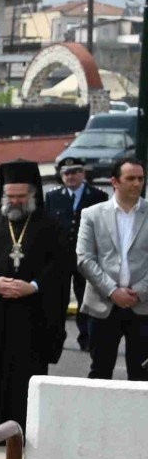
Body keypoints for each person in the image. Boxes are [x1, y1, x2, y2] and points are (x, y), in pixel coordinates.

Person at [0, 161, 72, 440]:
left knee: (24, 374)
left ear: (33, 194)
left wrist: (33, 286)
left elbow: (60, 265)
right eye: (10, 196)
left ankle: (20, 433)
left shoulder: (50, 226)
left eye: (21, 196)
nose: (15, 201)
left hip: (31, 316)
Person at [75, 155, 148, 382]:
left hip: (142, 305)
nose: (137, 183)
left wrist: (140, 291)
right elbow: (84, 258)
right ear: (114, 181)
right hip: (103, 304)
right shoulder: (92, 214)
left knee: (142, 375)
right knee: (100, 373)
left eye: (141, 178)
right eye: (130, 178)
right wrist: (112, 291)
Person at [46, 159, 109, 349]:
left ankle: (87, 338)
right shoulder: (53, 197)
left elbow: (104, 229)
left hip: (86, 256)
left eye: (75, 172)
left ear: (83, 174)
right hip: (61, 257)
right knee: (57, 299)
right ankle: (55, 339)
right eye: (66, 173)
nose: (70, 177)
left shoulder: (98, 196)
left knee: (85, 299)